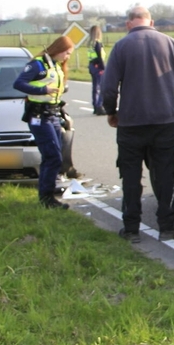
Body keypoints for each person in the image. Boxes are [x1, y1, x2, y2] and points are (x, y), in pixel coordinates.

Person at [102, 5, 174, 242]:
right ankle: (167, 226)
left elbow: (109, 88)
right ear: (151, 22)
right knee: (165, 175)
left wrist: (111, 112)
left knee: (131, 177)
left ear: (128, 23)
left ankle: (131, 229)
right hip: (164, 122)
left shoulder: (121, 46)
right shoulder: (171, 44)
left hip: (131, 123)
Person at [13, 36, 75, 210]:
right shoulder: (38, 65)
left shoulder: (55, 65)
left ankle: (47, 193)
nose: (68, 57)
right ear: (58, 49)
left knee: (54, 156)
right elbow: (18, 83)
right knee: (52, 156)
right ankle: (47, 198)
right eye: (67, 53)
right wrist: (43, 89)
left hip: (53, 114)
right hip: (39, 116)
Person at [87, 25, 106, 115]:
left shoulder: (90, 44)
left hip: (92, 66)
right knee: (101, 87)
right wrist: (103, 68)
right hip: (98, 66)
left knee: (95, 87)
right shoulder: (98, 44)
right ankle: (99, 106)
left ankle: (95, 106)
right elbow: (100, 57)